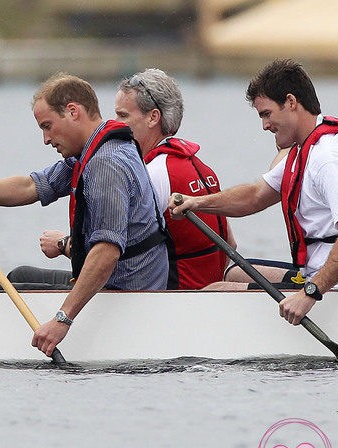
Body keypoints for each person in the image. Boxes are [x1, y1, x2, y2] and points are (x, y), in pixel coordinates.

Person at [0, 72, 169, 357]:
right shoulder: (91, 152)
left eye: (47, 126)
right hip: (120, 281)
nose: (45, 139)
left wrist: (62, 320)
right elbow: (30, 186)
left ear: (72, 111)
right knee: (19, 274)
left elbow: (106, 251)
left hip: (128, 292)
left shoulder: (106, 164)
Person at [169, 59, 338, 325]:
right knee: (234, 273)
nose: (264, 126)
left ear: (291, 102)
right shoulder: (303, 150)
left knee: (213, 293)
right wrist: (196, 203)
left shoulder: (329, 158)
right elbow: (255, 195)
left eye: (267, 114)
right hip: (326, 280)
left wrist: (310, 293)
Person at [32, 68, 234, 289]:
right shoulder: (199, 166)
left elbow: (116, 248)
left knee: (21, 277)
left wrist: (63, 244)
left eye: (123, 115)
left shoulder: (151, 173)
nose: (115, 122)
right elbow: (230, 244)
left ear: (153, 118)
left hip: (169, 296)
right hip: (205, 288)